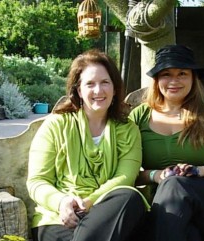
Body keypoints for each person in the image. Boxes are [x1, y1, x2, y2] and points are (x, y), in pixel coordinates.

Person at [27, 49, 147, 241]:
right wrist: (62, 202)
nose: (98, 91)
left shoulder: (128, 129)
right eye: (90, 84)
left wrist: (89, 202)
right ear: (78, 90)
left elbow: (125, 177)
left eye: (105, 82)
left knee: (129, 197)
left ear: (115, 88)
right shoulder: (56, 124)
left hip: (108, 215)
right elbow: (37, 181)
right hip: (59, 218)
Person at [129, 44, 204, 241]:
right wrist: (157, 175)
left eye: (182, 73)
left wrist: (200, 170)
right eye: (166, 74)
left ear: (193, 78)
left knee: (175, 184)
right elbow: (128, 172)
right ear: (157, 80)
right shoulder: (139, 116)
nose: (174, 81)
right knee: (185, 233)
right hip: (167, 210)